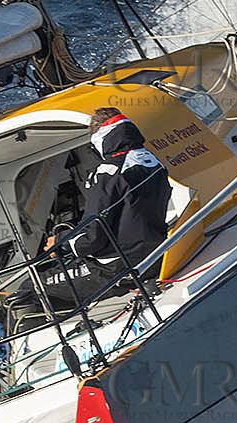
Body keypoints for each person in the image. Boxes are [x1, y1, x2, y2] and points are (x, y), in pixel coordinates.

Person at [43, 108, 170, 310]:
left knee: (33, 287)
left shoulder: (107, 173)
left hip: (115, 266)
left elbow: (94, 235)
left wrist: (60, 243)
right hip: (156, 253)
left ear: (99, 139)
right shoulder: (154, 162)